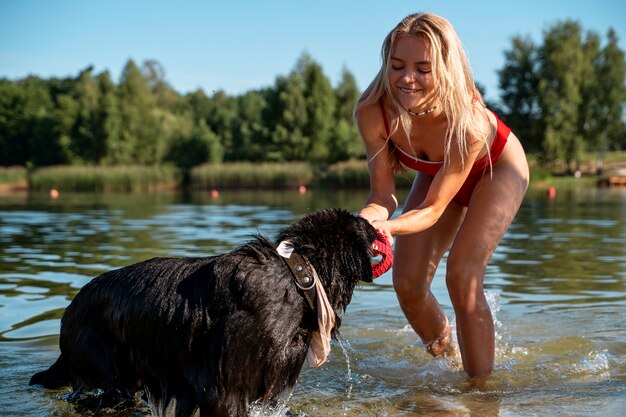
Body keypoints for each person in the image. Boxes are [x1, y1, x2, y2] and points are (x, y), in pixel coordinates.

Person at [355, 12, 529, 379]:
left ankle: (481, 394)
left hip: (499, 169)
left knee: (462, 275)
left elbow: (434, 208)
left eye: (423, 68)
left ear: (446, 69)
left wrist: (388, 230)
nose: (407, 79)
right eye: (397, 65)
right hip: (437, 173)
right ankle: (449, 362)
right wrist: (364, 223)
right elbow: (382, 197)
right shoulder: (372, 111)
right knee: (406, 283)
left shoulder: (470, 122)